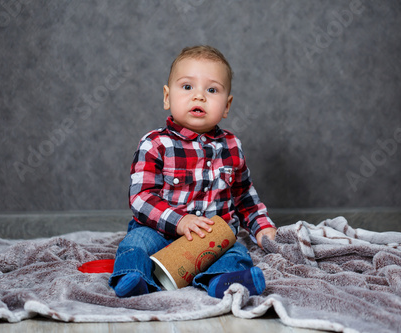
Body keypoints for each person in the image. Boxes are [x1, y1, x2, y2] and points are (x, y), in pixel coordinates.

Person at [109, 45, 277, 298]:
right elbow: (141, 198)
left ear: (227, 105)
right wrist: (180, 221)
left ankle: (223, 282)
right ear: (167, 97)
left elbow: (244, 198)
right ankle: (134, 277)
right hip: (160, 232)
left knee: (237, 252)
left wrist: (263, 228)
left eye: (212, 90)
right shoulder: (155, 144)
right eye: (187, 87)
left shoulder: (232, 146)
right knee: (136, 244)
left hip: (213, 239)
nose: (199, 96)